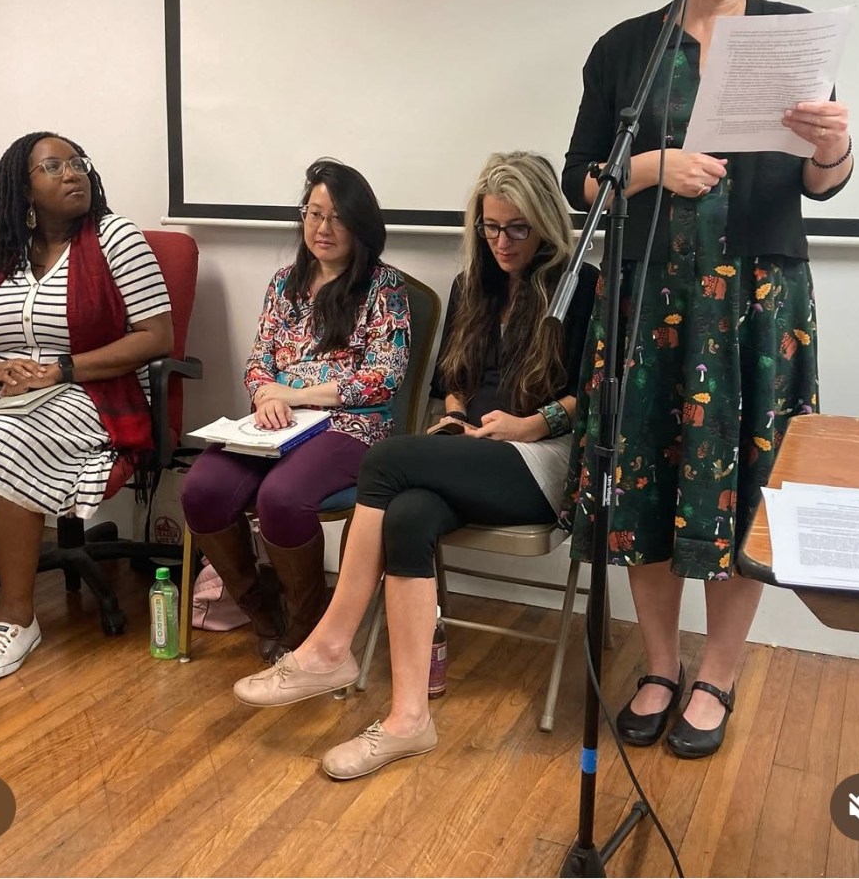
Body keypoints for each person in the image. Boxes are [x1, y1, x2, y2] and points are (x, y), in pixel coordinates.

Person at [559, 0, 854, 758]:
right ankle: (659, 664)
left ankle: (717, 672)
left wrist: (835, 148)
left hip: (756, 305)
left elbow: (822, 183)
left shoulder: (792, 36)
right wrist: (653, 168)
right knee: (643, 478)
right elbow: (578, 180)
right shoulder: (626, 49)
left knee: (743, 486)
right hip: (650, 302)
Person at [228, 150, 596, 779]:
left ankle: (329, 646)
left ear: (547, 225)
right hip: (471, 449)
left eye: (518, 228)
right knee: (407, 516)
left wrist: (531, 424)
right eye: (490, 227)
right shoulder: (472, 283)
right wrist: (453, 417)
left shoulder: (582, 286)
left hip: (541, 458)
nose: (502, 242)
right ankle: (408, 721)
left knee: (387, 459)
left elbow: (594, 393)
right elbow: (455, 381)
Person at [0, 131, 173, 683]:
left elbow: (156, 336)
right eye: (53, 167)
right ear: (23, 189)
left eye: (77, 163)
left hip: (90, 390)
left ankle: (17, 616)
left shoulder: (116, 239)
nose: (72, 173)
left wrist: (61, 369)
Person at [180, 159, 409, 664]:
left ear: (361, 225)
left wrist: (296, 395)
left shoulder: (384, 287)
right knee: (202, 488)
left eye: (337, 217)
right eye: (314, 213)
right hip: (278, 424)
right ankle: (260, 610)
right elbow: (258, 361)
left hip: (354, 426)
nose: (323, 228)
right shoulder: (285, 282)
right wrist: (266, 395)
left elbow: (383, 377)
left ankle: (307, 620)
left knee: (282, 498)